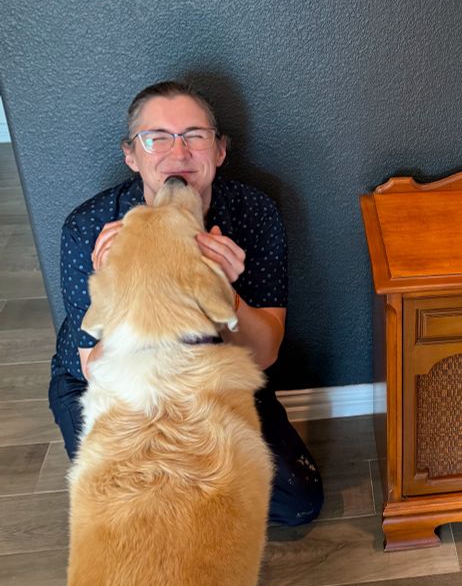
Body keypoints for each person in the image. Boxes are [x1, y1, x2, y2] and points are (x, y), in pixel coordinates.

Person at [49, 80, 323, 539]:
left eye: (194, 135)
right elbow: (94, 369)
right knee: (137, 509)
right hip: (116, 384)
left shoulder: (253, 214)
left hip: (211, 371)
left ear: (219, 151)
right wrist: (115, 290)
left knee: (298, 501)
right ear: (131, 156)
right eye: (156, 138)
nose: (177, 153)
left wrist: (225, 293)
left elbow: (266, 353)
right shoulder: (91, 227)